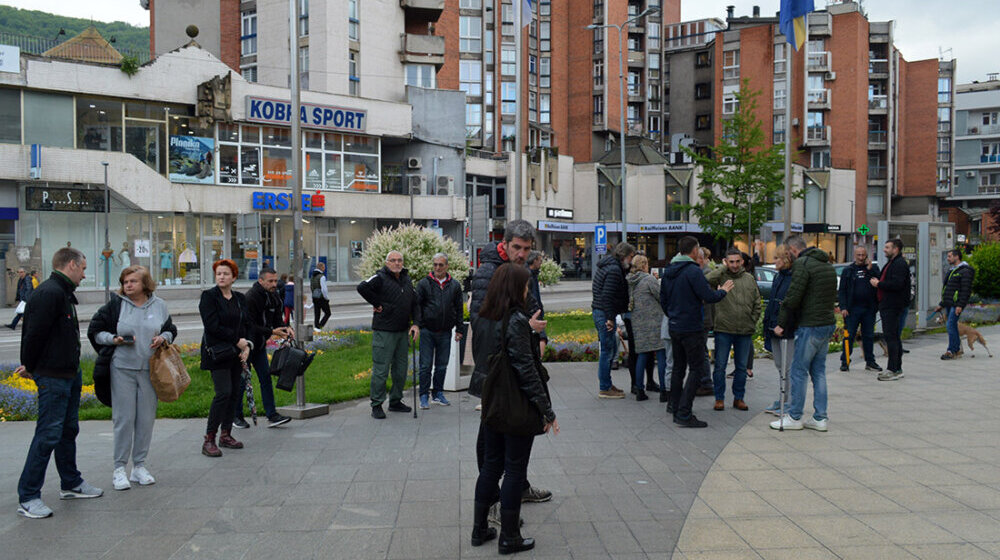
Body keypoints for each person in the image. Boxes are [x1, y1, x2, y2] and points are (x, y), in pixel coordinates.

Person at [472, 263, 558, 555]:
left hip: (492, 401)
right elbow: (526, 369)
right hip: (514, 404)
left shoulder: (486, 316)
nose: (527, 290)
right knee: (514, 469)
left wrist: (528, 331)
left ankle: (479, 529)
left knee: (491, 465)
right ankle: (509, 537)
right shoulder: (516, 319)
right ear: (514, 288)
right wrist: (547, 411)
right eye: (524, 286)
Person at [468, 220, 551, 514]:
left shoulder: (525, 270)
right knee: (491, 431)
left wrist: (539, 335)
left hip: (519, 359)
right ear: (504, 244)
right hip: (496, 365)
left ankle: (518, 487)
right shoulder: (488, 273)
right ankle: (491, 497)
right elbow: (483, 323)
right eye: (517, 247)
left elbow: (534, 307)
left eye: (527, 249)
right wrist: (525, 330)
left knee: (519, 426)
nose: (521, 253)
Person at [17, 247, 103, 519]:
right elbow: (33, 335)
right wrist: (30, 366)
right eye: (84, 269)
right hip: (53, 376)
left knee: (68, 430)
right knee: (48, 435)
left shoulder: (62, 292)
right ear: (71, 265)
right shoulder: (49, 293)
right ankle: (29, 496)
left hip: (68, 373)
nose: (84, 275)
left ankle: (71, 483)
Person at [88, 265, 176, 490]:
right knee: (124, 419)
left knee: (145, 419)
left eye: (133, 281)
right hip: (122, 369)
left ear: (145, 284)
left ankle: (139, 466)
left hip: (150, 370)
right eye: (125, 281)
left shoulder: (159, 305)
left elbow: (170, 329)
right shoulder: (115, 306)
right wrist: (113, 339)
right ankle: (119, 469)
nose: (128, 285)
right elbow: (95, 331)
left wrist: (162, 338)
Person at [661, 237, 733, 428]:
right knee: (697, 368)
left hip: (675, 326)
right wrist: (723, 291)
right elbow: (708, 296)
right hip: (691, 327)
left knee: (678, 367)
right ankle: (684, 413)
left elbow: (664, 300)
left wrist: (674, 315)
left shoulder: (669, 270)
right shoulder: (693, 271)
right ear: (694, 251)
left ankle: (674, 406)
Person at [770, 235, 837, 431]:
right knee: (818, 372)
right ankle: (820, 417)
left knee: (798, 371)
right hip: (826, 324)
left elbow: (794, 296)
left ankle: (795, 416)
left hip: (810, 325)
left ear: (793, 249)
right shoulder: (826, 265)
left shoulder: (803, 264)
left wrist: (781, 323)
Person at [357, 251, 420, 419]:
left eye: (400, 260)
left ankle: (395, 401)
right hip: (384, 331)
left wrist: (415, 324)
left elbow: (415, 302)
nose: (397, 263)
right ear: (387, 263)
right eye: (393, 260)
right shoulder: (380, 277)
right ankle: (377, 404)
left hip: (402, 331)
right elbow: (362, 287)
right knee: (381, 370)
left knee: (400, 370)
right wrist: (377, 303)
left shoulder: (406, 279)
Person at [199, 259, 253, 457]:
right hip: (218, 353)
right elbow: (212, 326)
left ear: (234, 277)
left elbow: (246, 324)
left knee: (233, 394)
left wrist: (246, 346)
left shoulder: (239, 298)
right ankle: (209, 438)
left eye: (225, 274)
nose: (221, 277)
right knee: (223, 393)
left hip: (236, 353)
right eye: (218, 274)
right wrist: (237, 341)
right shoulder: (209, 297)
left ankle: (226, 434)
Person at [237, 267, 293, 428]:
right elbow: (250, 325)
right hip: (246, 345)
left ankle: (272, 414)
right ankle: (236, 415)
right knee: (242, 381)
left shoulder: (274, 296)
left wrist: (285, 328)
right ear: (261, 281)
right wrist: (271, 331)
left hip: (259, 345)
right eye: (270, 281)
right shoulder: (251, 297)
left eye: (275, 280)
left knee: (265, 378)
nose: (274, 284)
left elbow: (277, 319)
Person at [706, 248, 761, 412]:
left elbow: (757, 302)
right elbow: (705, 280)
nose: (735, 265)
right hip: (724, 328)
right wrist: (722, 268)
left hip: (744, 329)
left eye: (737, 261)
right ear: (726, 262)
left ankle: (739, 398)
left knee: (742, 367)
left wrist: (753, 320)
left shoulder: (749, 278)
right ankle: (719, 399)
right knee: (720, 366)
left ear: (742, 261)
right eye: (731, 262)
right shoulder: (721, 276)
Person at [415, 252, 465, 409]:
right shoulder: (424, 283)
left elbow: (458, 308)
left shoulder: (455, 285)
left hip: (445, 332)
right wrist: (417, 324)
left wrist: (459, 329)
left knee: (442, 365)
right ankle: (424, 395)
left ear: (447, 266)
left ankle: (438, 393)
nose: (437, 267)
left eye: (441, 265)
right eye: (435, 264)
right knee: (425, 365)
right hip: (427, 331)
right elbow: (417, 306)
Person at [591, 242, 636, 399]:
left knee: (608, 349)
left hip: (601, 312)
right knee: (607, 350)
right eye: (631, 257)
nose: (631, 261)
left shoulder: (610, 267)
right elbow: (607, 296)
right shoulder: (614, 270)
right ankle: (605, 387)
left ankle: (607, 384)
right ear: (624, 256)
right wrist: (610, 319)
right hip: (604, 313)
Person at [626, 255, 667, 402]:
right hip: (655, 322)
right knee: (661, 354)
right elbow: (661, 296)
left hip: (638, 322)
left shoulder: (630, 280)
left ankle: (639, 390)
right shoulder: (649, 280)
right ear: (644, 265)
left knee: (642, 355)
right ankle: (664, 390)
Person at [870, 239, 911, 381]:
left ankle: (894, 369)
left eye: (887, 247)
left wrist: (879, 284)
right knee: (892, 337)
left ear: (896, 249)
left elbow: (897, 284)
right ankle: (895, 367)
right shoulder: (892, 263)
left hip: (893, 305)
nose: (884, 249)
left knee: (892, 337)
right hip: (888, 305)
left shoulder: (899, 264)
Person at [762, 245, 796, 415]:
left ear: (786, 259)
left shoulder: (793, 278)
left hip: (785, 328)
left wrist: (784, 325)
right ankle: (782, 398)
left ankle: (789, 401)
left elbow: (791, 305)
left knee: (787, 366)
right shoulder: (778, 277)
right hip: (773, 325)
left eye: (777, 258)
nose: (774, 261)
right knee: (779, 365)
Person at [837, 246, 882, 372]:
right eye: (859, 255)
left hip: (869, 308)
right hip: (852, 309)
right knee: (849, 335)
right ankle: (845, 361)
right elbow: (842, 291)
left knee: (868, 336)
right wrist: (843, 307)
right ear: (854, 256)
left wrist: (870, 269)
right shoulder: (848, 270)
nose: (861, 258)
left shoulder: (873, 268)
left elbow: (879, 282)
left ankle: (870, 361)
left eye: (863, 255)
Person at [936, 249, 974, 360]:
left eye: (949, 256)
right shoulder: (952, 270)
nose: (948, 259)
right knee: (951, 326)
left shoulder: (965, 271)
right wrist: (942, 304)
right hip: (949, 303)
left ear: (957, 257)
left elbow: (965, 290)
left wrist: (960, 305)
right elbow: (948, 290)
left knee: (950, 325)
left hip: (956, 304)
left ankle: (951, 350)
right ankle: (956, 349)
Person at [526, 251, 549, 354]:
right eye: (540, 260)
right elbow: (532, 296)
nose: (541, 263)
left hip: (535, 311)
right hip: (533, 313)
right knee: (542, 337)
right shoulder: (529, 276)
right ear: (534, 261)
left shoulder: (533, 274)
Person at [310, 261, 330, 332]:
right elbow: (324, 289)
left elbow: (311, 287)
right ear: (321, 267)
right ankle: (319, 327)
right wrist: (327, 298)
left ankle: (316, 327)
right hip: (321, 298)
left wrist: (313, 295)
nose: (324, 269)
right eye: (324, 267)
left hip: (315, 297)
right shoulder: (322, 277)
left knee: (317, 313)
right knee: (328, 313)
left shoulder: (312, 276)